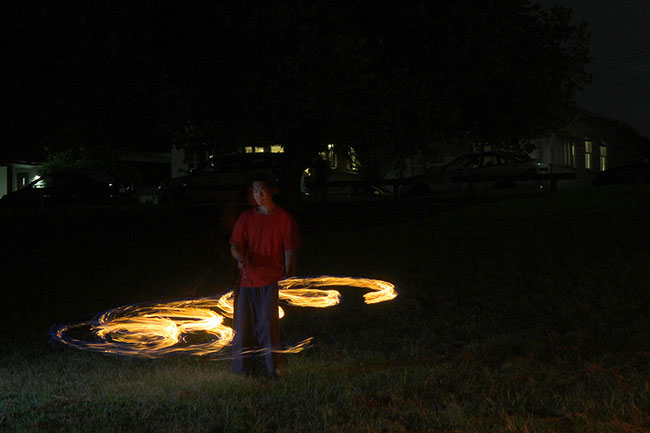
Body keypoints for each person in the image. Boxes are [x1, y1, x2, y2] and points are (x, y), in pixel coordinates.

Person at [229, 174, 301, 377]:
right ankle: (243, 369)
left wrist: (288, 275)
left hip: (271, 279)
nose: (258, 195)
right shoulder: (246, 218)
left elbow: (290, 249)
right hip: (248, 279)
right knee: (243, 327)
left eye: (261, 190)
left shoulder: (283, 218)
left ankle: (273, 367)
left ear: (271, 191)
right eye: (254, 191)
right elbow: (235, 245)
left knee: (268, 326)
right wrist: (240, 257)